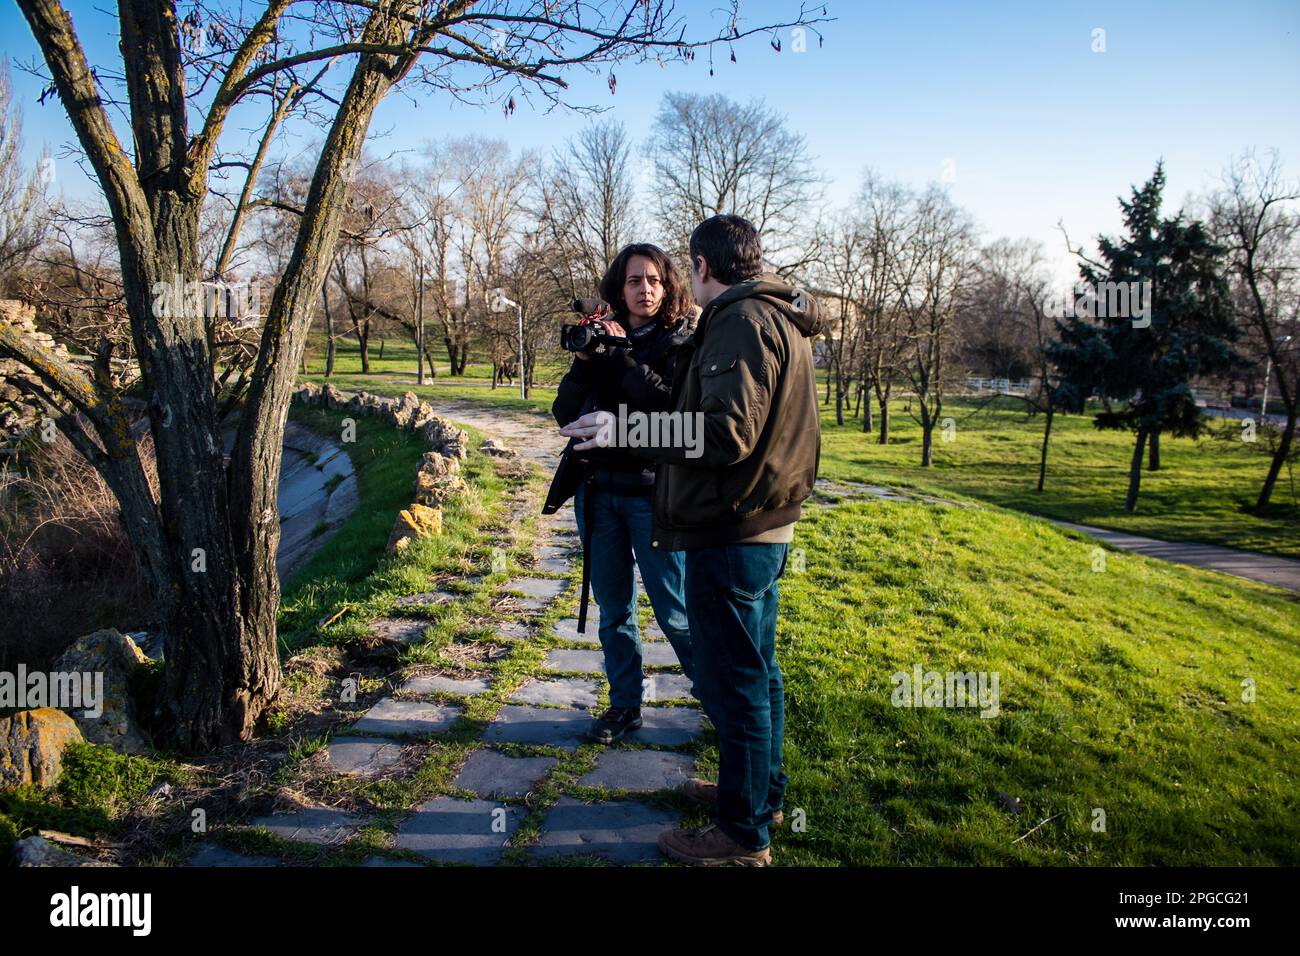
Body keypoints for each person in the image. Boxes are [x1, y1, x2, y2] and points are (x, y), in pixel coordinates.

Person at [561, 214, 822, 865]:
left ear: (700, 267)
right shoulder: (776, 316)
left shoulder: (740, 322)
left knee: (738, 683)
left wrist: (626, 433)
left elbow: (724, 432)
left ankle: (741, 835)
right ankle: (759, 796)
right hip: (759, 524)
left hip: (735, 530)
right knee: (758, 677)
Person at [550, 243, 697, 744]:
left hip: (652, 497)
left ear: (668, 285)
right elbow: (564, 415)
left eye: (654, 280)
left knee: (676, 612)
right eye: (634, 281)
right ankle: (624, 706)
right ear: (619, 288)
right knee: (615, 612)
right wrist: (585, 361)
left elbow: (667, 409)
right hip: (597, 495)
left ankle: (724, 705)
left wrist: (622, 357)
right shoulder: (599, 340)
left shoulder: (680, 342)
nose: (645, 289)